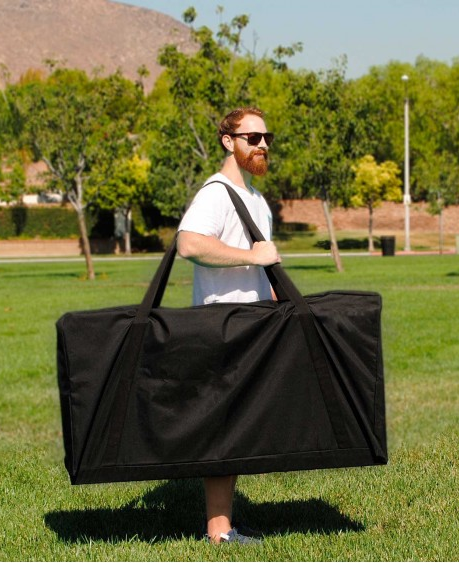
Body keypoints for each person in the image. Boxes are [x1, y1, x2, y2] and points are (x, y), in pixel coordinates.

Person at [176, 107, 281, 545]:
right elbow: (190, 243)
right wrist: (253, 256)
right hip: (222, 324)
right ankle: (218, 533)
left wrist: (278, 307)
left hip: (255, 324)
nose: (262, 145)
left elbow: (264, 265)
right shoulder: (216, 193)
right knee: (224, 427)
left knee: (240, 426)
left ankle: (227, 524)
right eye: (252, 137)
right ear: (227, 141)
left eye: (266, 137)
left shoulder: (255, 199)